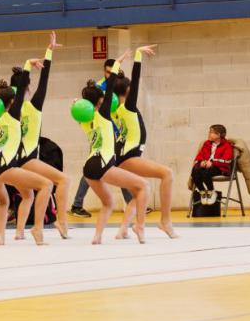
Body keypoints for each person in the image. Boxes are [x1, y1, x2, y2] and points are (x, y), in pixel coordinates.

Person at [75, 54, 148, 244]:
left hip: (89, 167)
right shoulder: (105, 114)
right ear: (100, 102)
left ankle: (97, 237)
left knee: (108, 203)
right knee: (143, 187)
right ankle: (139, 226)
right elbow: (110, 86)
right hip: (104, 164)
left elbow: (89, 100)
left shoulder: (83, 119)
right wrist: (117, 64)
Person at [0, 77, 52, 246]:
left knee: (2, 202)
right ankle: (37, 229)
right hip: (4, 165)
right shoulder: (13, 117)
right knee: (46, 185)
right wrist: (28, 66)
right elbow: (22, 88)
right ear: (11, 103)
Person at [8, 32, 69, 238]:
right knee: (62, 181)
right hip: (27, 158)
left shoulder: (9, 110)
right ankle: (59, 222)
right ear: (28, 87)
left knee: (27, 195)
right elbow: (45, 81)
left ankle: (19, 233)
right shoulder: (33, 107)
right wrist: (49, 52)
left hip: (11, 163)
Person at [112, 46, 176, 239]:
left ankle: (124, 228)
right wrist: (138, 55)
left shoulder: (113, 109)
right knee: (167, 174)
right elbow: (136, 77)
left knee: (140, 192)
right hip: (129, 157)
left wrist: (118, 62)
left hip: (122, 157)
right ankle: (165, 221)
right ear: (129, 90)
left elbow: (108, 83)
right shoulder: (128, 107)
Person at [190, 124, 233, 201]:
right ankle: (202, 192)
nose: (209, 134)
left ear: (218, 134)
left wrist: (212, 163)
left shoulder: (227, 145)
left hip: (220, 168)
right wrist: (201, 162)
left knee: (207, 171)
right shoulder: (207, 143)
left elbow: (227, 161)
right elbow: (200, 155)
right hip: (207, 166)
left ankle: (211, 191)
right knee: (195, 170)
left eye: (211, 132)